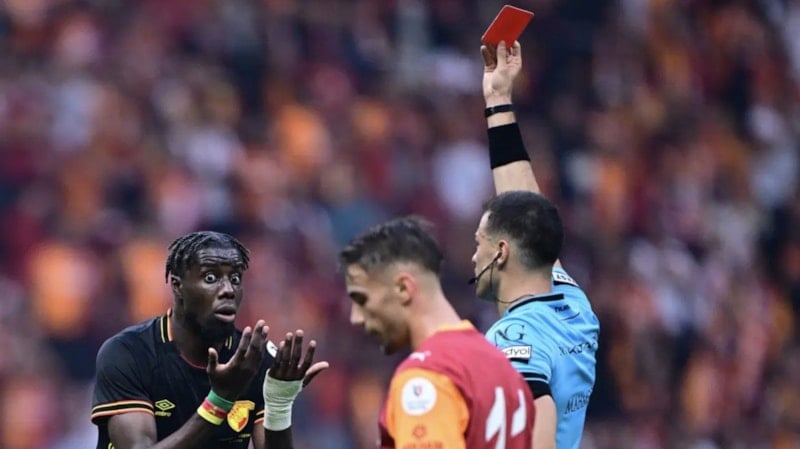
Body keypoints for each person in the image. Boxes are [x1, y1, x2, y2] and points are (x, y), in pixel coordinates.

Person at [472, 40, 600, 449]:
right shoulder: (572, 303)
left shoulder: (514, 337)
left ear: (501, 252)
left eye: (479, 243)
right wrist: (498, 100)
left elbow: (536, 409)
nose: (473, 256)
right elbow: (526, 209)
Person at [91, 231, 329, 449]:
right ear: (177, 286)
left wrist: (278, 406)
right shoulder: (128, 353)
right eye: (211, 277)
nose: (228, 290)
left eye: (235, 279)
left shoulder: (254, 359)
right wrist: (219, 401)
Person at [340, 216, 535, 449]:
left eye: (362, 300)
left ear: (403, 288)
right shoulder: (505, 370)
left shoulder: (427, 377)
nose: (356, 317)